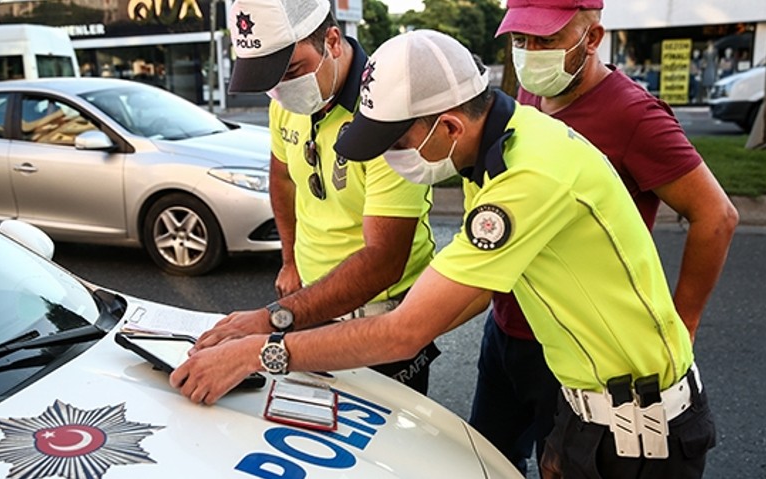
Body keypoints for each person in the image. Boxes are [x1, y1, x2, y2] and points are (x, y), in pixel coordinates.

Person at [171, 29, 716, 479]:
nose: (395, 159)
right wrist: (279, 319)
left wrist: (258, 352)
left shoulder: (525, 178)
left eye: (398, 144)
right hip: (593, 410)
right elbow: (463, 296)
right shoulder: (504, 147)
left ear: (450, 125)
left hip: (639, 435)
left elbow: (405, 331)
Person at [468, 0, 739, 474]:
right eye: (520, 40)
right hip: (508, 328)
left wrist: (684, 322)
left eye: (546, 40)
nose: (530, 54)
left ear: (591, 39)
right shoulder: (532, 95)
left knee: (560, 466)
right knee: (486, 460)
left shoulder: (632, 114)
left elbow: (716, 216)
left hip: (581, 352)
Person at [194, 0, 439, 393]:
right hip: (306, 306)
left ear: (333, 41)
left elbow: (384, 260)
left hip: (378, 316)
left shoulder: (386, 110)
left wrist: (272, 319)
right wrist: (289, 260)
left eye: (291, 71)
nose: (281, 91)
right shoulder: (284, 104)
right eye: (267, 81)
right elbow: (283, 177)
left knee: (379, 444)